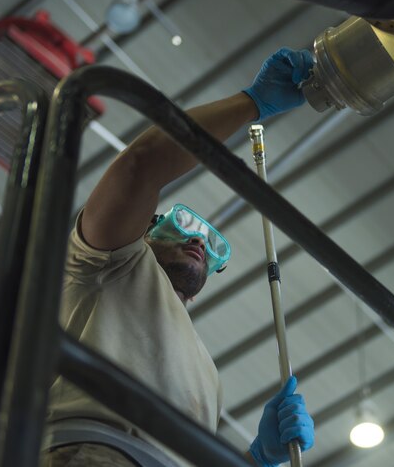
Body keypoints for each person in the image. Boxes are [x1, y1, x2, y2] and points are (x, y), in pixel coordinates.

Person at [42, 48, 317, 467]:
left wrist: (259, 459)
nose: (200, 243)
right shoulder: (110, 262)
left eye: (211, 246)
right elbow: (141, 165)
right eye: (183, 227)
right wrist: (252, 104)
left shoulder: (208, 373)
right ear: (146, 227)